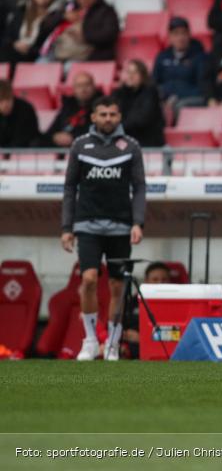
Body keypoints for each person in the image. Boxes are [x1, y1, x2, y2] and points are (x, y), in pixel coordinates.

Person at [61, 96, 146, 362]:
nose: (108, 118)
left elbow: (140, 187)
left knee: (117, 287)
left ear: (119, 117)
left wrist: (137, 222)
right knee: (88, 279)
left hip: (120, 225)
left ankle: (112, 341)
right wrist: (67, 226)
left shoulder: (131, 146)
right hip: (87, 224)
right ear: (93, 117)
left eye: (112, 114)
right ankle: (89, 340)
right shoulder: (80, 145)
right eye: (103, 114)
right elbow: (69, 187)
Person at [39, 0, 119, 63]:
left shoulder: (106, 11)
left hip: (87, 56)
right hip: (58, 51)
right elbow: (44, 26)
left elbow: (110, 34)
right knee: (40, 65)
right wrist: (63, 16)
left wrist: (85, 35)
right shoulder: (69, 7)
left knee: (69, 69)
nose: (83, 0)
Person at [152, 17, 207, 109]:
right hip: (165, 99)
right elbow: (154, 83)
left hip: (190, 100)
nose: (180, 38)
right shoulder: (162, 57)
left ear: (189, 35)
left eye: (184, 33)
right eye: (176, 34)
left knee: (178, 106)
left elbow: (203, 87)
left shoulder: (199, 57)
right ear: (169, 37)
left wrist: (177, 96)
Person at [0, 0, 58, 66]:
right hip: (13, 51)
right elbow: (7, 36)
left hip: (34, 56)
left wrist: (30, 49)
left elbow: (49, 46)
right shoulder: (21, 11)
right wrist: (15, 44)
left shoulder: (55, 17)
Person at [112, 59, 165, 147]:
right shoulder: (119, 93)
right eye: (128, 72)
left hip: (147, 141)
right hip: (124, 139)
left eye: (135, 73)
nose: (131, 76)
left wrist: (118, 126)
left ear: (143, 76)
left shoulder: (150, 92)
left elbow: (142, 119)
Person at [41, 72, 97, 148]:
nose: (83, 89)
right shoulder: (67, 106)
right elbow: (51, 130)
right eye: (79, 86)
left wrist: (73, 138)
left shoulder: (100, 107)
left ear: (94, 87)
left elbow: (98, 133)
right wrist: (55, 137)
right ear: (74, 89)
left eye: (87, 85)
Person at [0, 79, 39, 148]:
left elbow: (25, 138)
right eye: (1, 100)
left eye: (8, 99)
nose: (5, 104)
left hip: (24, 153)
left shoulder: (25, 109)